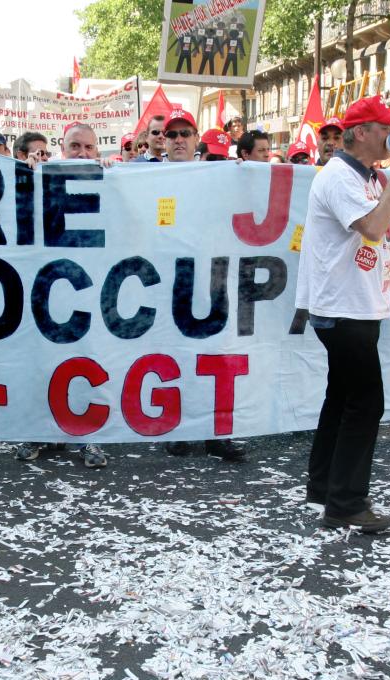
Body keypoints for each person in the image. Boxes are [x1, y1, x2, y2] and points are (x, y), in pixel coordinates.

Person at [295, 95, 390, 534]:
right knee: (366, 403)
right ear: (361, 132)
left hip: (356, 304)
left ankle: (326, 485)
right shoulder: (340, 176)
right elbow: (371, 226)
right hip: (342, 306)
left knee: (344, 396)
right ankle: (345, 503)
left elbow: (381, 241)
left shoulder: (368, 176)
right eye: (386, 128)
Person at [14, 123, 111, 469]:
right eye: (75, 147)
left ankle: (90, 437)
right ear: (61, 149)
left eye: (88, 147)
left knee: (89, 361)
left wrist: (118, 180)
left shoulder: (109, 180)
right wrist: (25, 176)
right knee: (43, 363)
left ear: (97, 152)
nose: (82, 154)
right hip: (48, 290)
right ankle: (39, 430)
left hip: (91, 290)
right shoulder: (40, 180)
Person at [155, 109, 247, 462]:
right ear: (163, 141)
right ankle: (179, 429)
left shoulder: (222, 176)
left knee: (216, 357)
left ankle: (216, 433)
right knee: (175, 356)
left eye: (185, 134)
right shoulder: (145, 177)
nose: (179, 140)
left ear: (196, 140)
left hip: (214, 278)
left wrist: (246, 177)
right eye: (172, 134)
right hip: (168, 281)